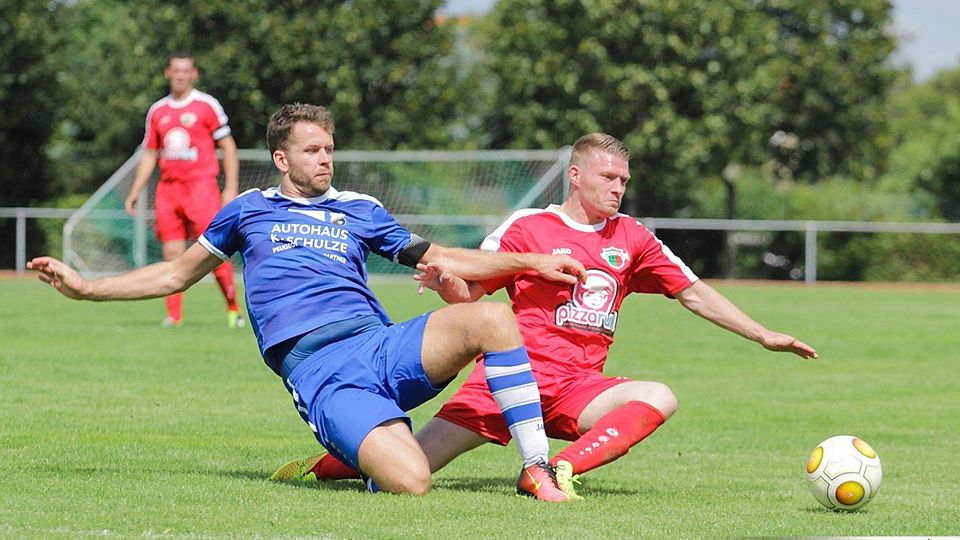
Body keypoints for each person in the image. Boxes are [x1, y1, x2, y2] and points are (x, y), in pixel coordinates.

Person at [29, 103, 590, 502]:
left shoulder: (359, 209)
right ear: (280, 158)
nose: (325, 159)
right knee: (412, 481)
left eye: (329, 149)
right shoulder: (248, 210)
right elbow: (176, 275)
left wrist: (533, 263)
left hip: (380, 344)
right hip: (320, 370)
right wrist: (87, 288)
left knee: (492, 317)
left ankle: (536, 468)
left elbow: (440, 254)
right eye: (312, 150)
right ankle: (346, 458)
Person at [272, 132, 818, 499]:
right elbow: (471, 298)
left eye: (624, 181)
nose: (618, 188)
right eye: (609, 178)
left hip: (578, 386)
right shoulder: (528, 227)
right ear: (576, 176)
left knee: (658, 396)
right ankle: (327, 466)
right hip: (506, 384)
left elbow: (694, 293)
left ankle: (557, 469)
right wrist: (444, 282)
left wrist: (764, 334)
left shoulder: (632, 237)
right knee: (405, 468)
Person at [124, 51, 243, 328]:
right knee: (171, 253)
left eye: (185, 70)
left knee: (213, 249)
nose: (180, 75)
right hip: (168, 190)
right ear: (168, 73)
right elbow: (150, 153)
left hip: (201, 187)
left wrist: (231, 188)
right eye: (176, 70)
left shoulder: (206, 105)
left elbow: (227, 147)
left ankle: (233, 309)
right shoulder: (158, 111)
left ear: (194, 74)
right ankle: (174, 316)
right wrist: (135, 190)